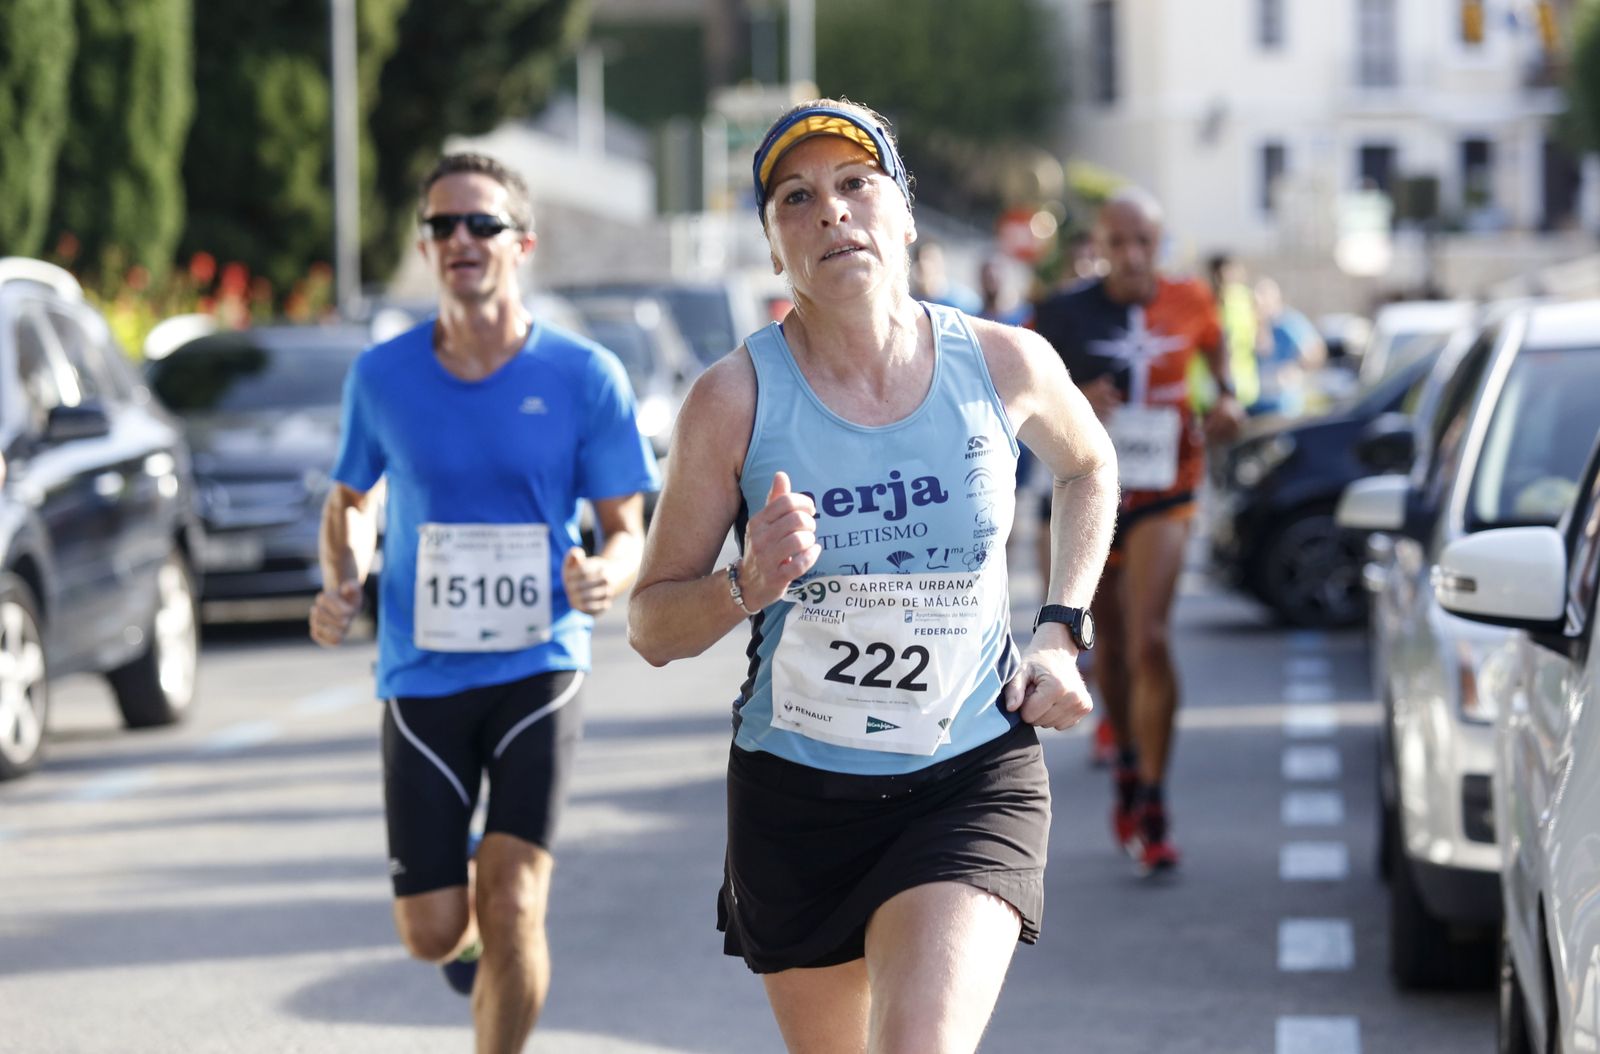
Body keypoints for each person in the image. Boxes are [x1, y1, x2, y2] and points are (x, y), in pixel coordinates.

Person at [627, 99, 1117, 1052]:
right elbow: (650, 628)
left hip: (968, 773)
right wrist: (746, 584)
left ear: (905, 215)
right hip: (797, 798)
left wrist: (1061, 630)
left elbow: (1089, 465)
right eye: (797, 198)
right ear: (773, 245)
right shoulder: (732, 400)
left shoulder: (1004, 362)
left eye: (857, 184)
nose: (832, 212)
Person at [308, 152, 659, 1050]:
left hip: (540, 663)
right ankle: (462, 924)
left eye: (481, 223)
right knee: (432, 930)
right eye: (442, 225)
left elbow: (626, 527)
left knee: (515, 899)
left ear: (521, 244)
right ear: (426, 247)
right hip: (421, 672)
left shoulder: (585, 375)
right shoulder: (382, 376)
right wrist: (344, 573)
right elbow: (352, 499)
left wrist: (607, 574)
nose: (459, 238)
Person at [1033, 188, 1243, 874]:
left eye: (1142, 243)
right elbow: (1025, 399)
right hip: (1093, 498)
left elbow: (1219, 366)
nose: (1130, 256)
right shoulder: (1062, 313)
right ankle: (1126, 756)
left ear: (1160, 244)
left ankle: (1152, 798)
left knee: (1150, 636)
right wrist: (1075, 402)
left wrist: (1226, 404)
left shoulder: (1192, 301)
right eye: (1117, 243)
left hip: (1166, 491)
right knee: (1115, 648)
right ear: (1099, 245)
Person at [1251, 277, 1327, 418]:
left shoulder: (1289, 323)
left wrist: (1296, 369)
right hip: (1256, 405)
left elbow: (1316, 351)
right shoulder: (1253, 325)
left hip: (1284, 405)